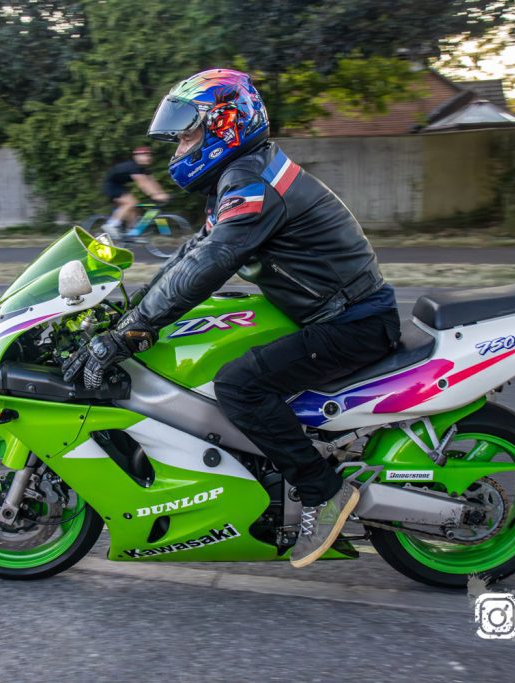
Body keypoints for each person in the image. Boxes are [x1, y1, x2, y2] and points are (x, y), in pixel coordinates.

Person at [64, 69, 400, 568]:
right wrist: (127, 313)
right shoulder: (242, 174)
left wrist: (130, 335)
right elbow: (190, 254)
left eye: (188, 133)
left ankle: (322, 492)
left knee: (240, 385)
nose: (179, 146)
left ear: (225, 123)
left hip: (351, 321)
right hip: (331, 312)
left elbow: (210, 264)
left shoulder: (251, 183)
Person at [100, 147, 170, 238]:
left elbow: (153, 182)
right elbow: (143, 184)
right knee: (131, 202)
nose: (149, 157)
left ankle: (131, 232)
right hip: (110, 185)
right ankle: (111, 225)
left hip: (119, 186)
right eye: (145, 155)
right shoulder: (133, 167)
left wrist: (161, 193)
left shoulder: (144, 169)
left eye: (150, 155)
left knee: (135, 207)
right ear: (137, 157)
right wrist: (155, 195)